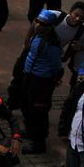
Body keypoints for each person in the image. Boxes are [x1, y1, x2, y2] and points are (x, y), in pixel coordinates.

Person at [19, 9, 65, 154]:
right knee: (26, 105)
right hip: (30, 77)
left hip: (41, 82)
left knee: (38, 112)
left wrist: (55, 78)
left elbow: (57, 65)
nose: (39, 26)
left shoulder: (51, 44)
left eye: (43, 24)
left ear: (50, 27)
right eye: (38, 22)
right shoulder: (37, 36)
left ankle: (38, 143)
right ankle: (30, 131)